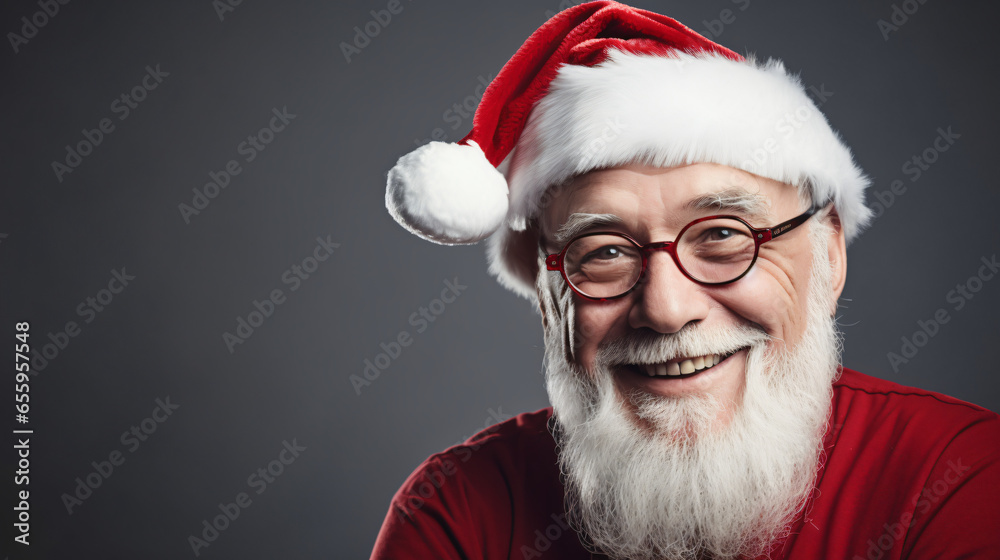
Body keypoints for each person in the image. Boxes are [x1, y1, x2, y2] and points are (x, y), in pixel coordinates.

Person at [373, 2, 1000, 558]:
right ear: (547, 296)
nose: (667, 309)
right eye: (605, 252)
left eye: (723, 235)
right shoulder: (459, 511)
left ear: (829, 255)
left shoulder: (961, 478)